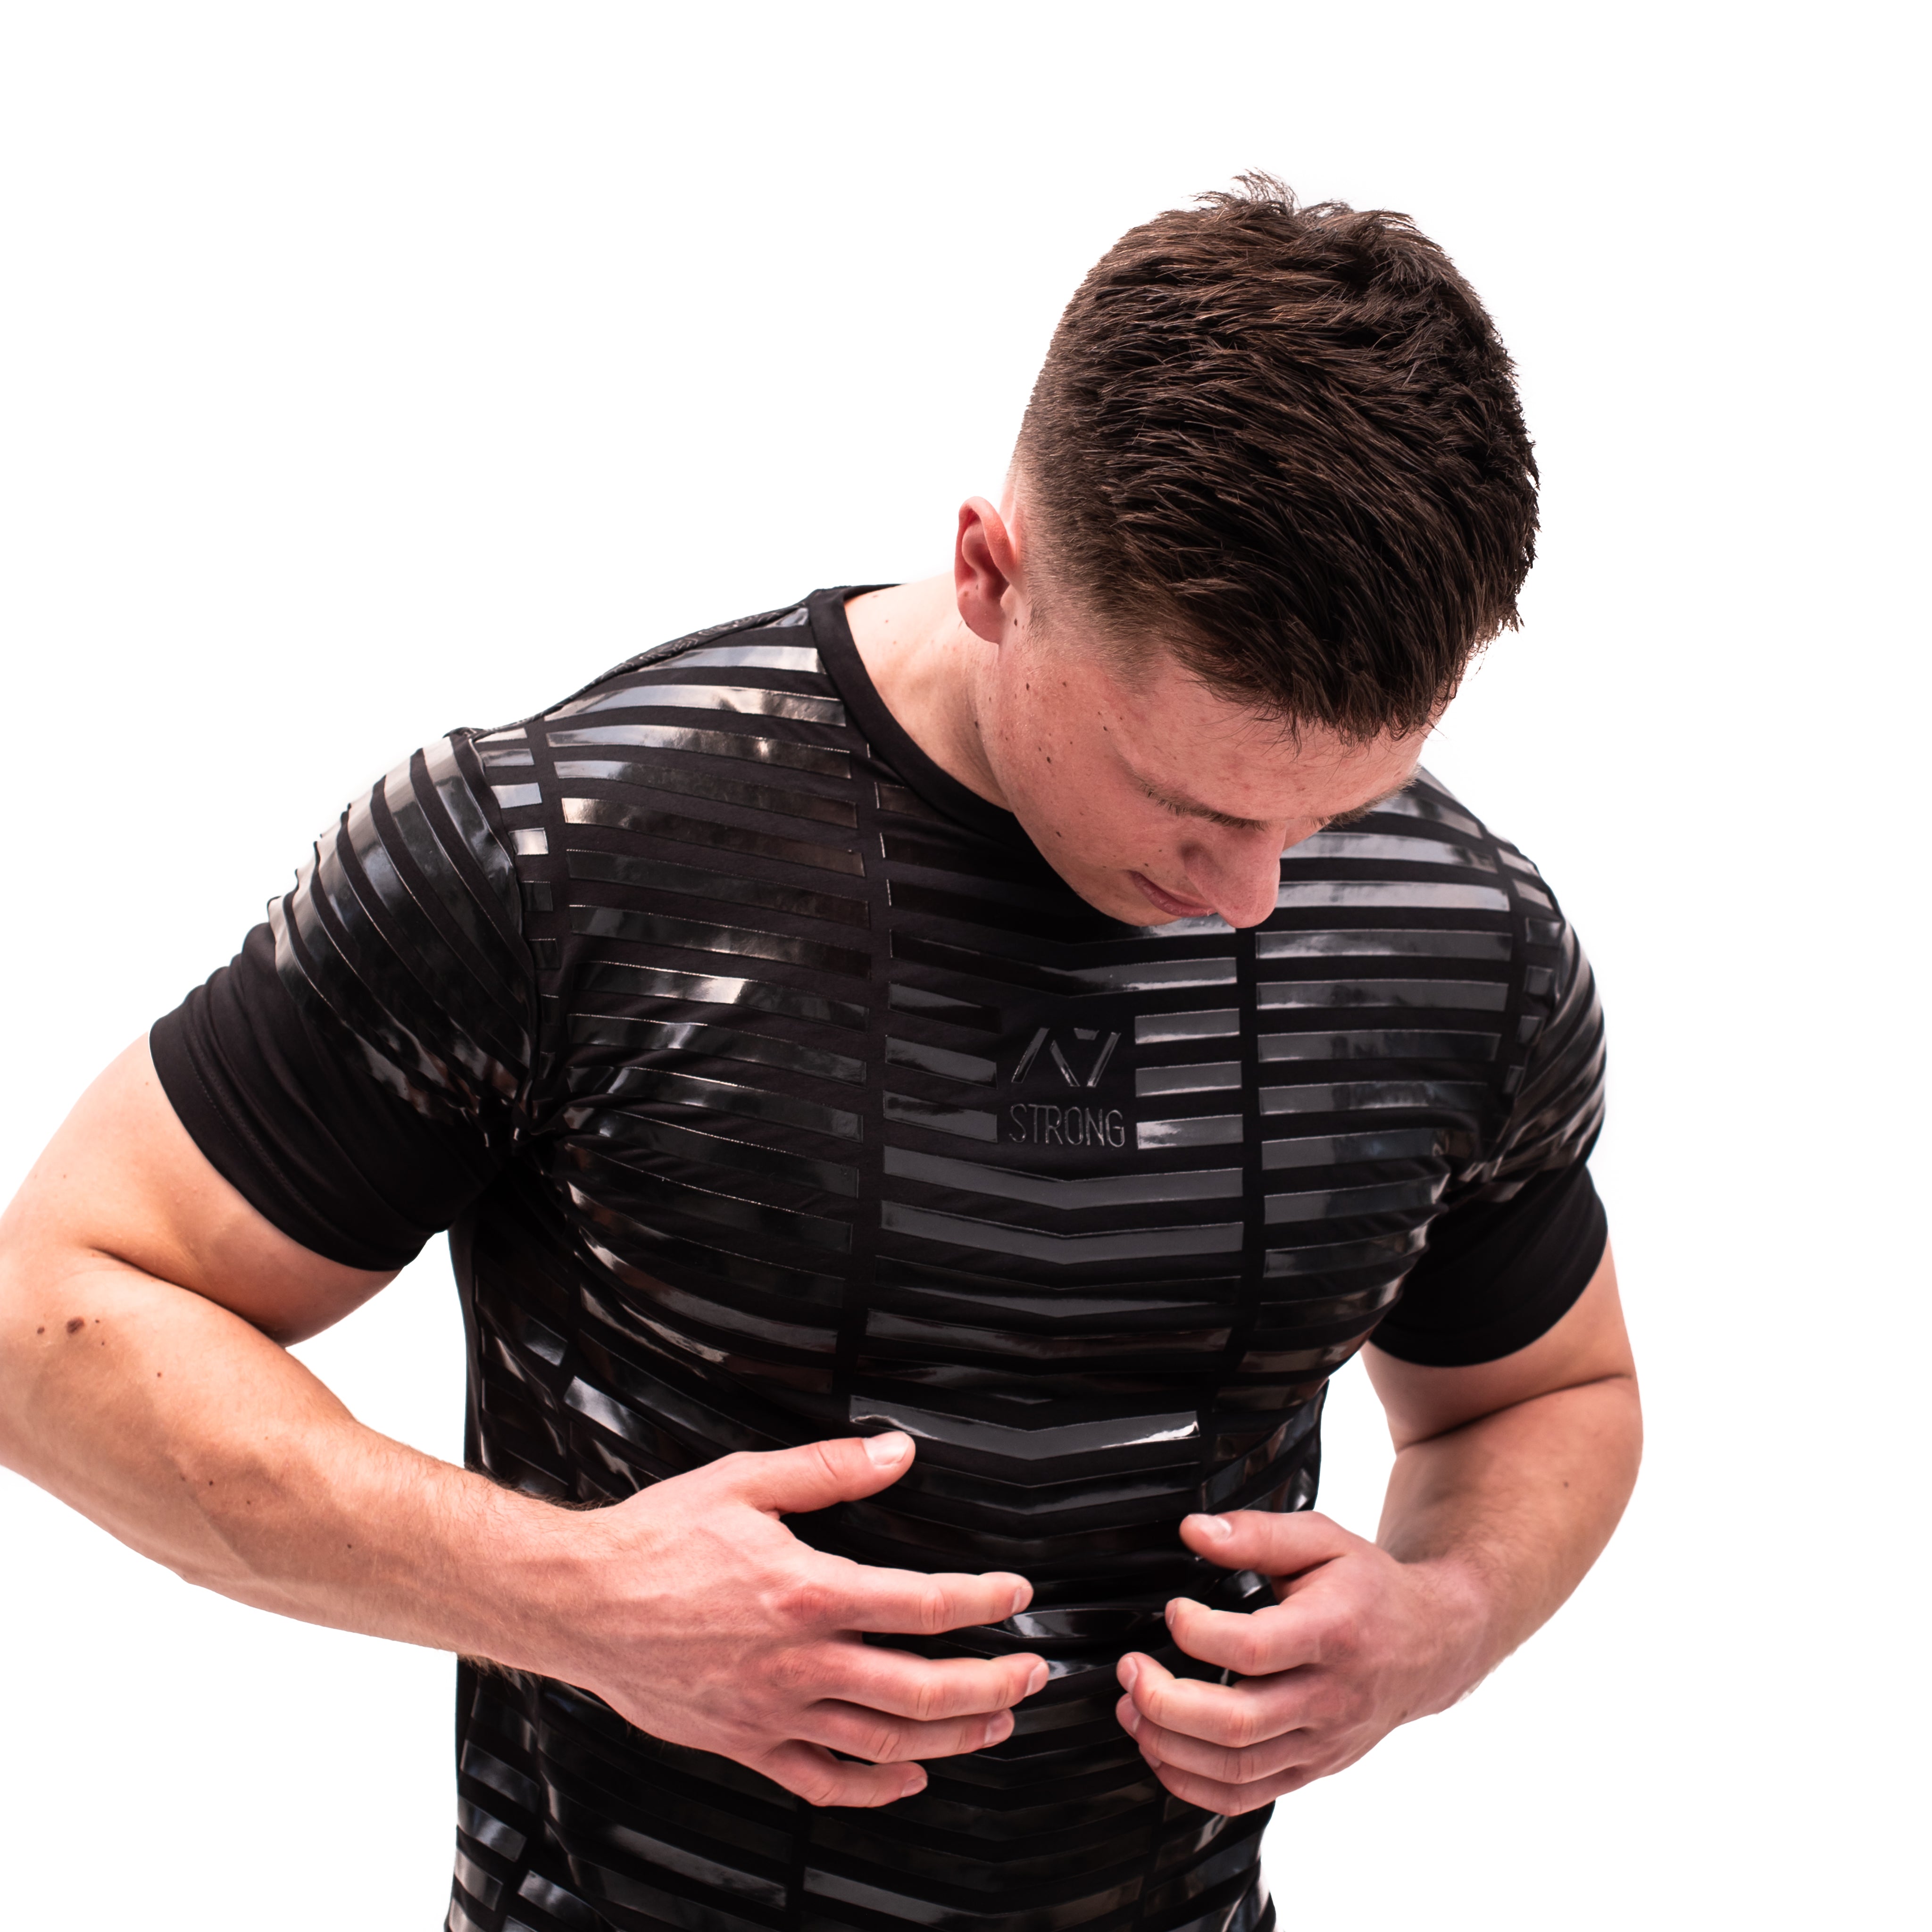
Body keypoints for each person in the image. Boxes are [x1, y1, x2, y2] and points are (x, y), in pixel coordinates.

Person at [0, 178, 1639, 1932]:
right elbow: (49, 1324)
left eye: (1333, 810)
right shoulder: (560, 855)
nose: (1252, 898)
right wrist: (572, 1598)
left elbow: (1549, 1395)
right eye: (1192, 805)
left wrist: (1446, 1619)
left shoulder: (1458, 931)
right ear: (993, 572)